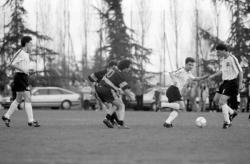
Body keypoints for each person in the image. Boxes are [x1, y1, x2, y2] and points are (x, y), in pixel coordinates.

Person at [2, 36, 40, 127]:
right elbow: (11, 63)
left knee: (18, 99)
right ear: (26, 43)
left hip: (23, 77)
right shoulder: (20, 52)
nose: (32, 45)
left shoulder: (26, 54)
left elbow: (23, 67)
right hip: (19, 77)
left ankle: (6, 116)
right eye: (31, 43)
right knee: (27, 97)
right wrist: (23, 70)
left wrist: (28, 71)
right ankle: (31, 120)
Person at [163, 57, 208, 128]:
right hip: (173, 89)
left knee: (179, 108)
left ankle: (167, 122)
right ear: (186, 64)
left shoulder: (189, 73)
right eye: (189, 65)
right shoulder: (181, 70)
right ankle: (163, 105)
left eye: (192, 65)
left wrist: (203, 77)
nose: (191, 67)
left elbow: (195, 79)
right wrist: (175, 80)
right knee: (181, 107)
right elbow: (171, 73)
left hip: (175, 90)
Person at [208, 43, 242, 129]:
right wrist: (213, 75)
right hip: (225, 83)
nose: (217, 54)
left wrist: (240, 84)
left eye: (218, 52)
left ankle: (227, 122)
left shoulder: (232, 58)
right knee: (216, 100)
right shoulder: (223, 60)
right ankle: (232, 113)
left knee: (222, 102)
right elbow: (222, 71)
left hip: (232, 82)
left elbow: (240, 71)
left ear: (224, 51)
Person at [95, 59, 135, 129]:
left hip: (99, 89)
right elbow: (125, 90)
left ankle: (107, 119)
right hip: (106, 89)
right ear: (125, 67)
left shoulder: (113, 70)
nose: (129, 69)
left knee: (115, 105)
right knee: (122, 105)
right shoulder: (119, 74)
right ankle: (120, 124)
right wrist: (131, 97)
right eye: (129, 67)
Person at [88, 61, 119, 127]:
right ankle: (114, 121)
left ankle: (112, 121)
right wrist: (93, 88)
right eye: (115, 66)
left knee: (110, 106)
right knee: (112, 106)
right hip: (100, 91)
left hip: (106, 92)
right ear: (113, 66)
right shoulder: (102, 72)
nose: (116, 68)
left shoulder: (112, 74)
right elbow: (90, 77)